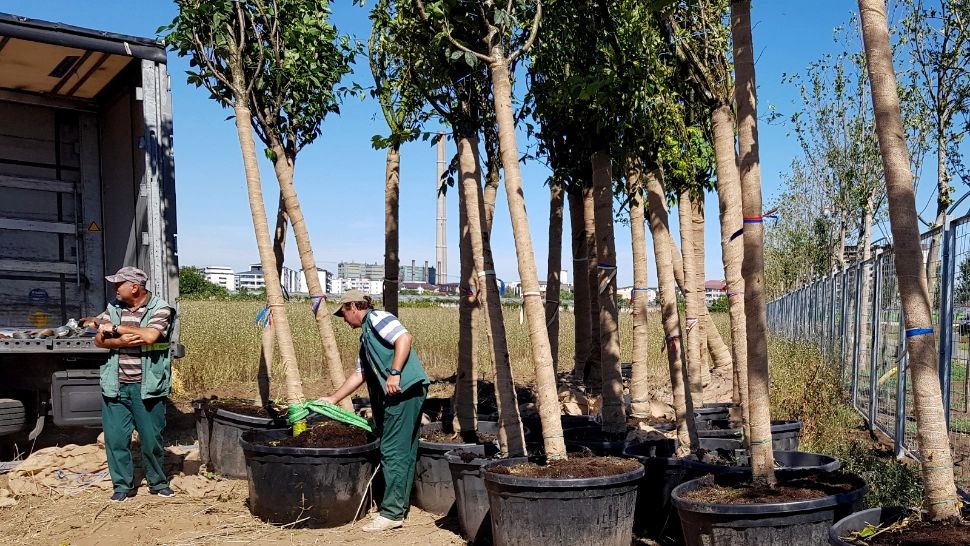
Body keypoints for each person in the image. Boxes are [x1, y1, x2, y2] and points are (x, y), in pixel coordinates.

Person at [319, 289, 429, 532]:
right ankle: (399, 506)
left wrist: (395, 373)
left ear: (354, 307)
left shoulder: (379, 318)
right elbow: (360, 374)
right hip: (403, 392)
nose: (344, 320)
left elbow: (404, 338)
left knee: (392, 449)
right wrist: (333, 398)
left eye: (344, 313)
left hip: (404, 389)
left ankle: (391, 514)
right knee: (404, 450)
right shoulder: (366, 339)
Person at [94, 266, 176, 502]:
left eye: (118, 284)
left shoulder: (160, 308)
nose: (114, 288)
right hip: (116, 385)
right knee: (116, 439)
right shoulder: (113, 307)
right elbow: (99, 340)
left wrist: (116, 329)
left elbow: (150, 336)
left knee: (151, 440)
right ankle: (122, 486)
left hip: (147, 387)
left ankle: (158, 483)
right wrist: (119, 340)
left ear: (134, 287)